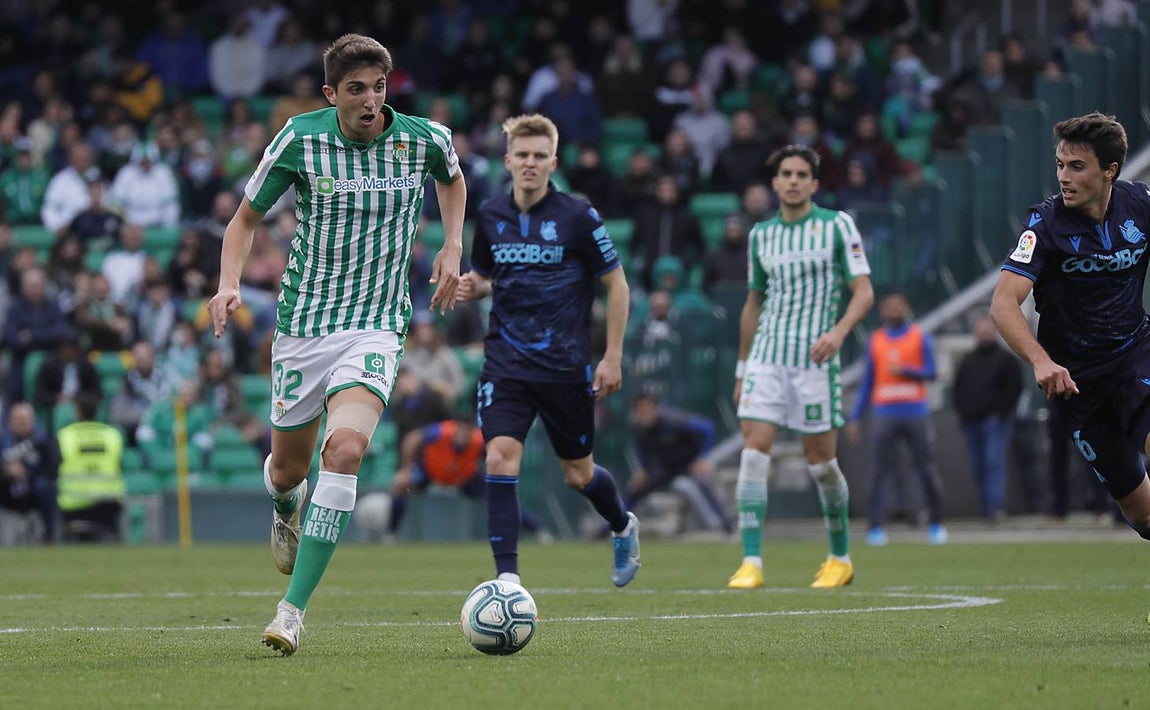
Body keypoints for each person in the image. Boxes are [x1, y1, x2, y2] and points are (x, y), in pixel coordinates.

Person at [208, 33, 466, 657]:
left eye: (379, 87)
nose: (370, 100)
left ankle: (291, 611)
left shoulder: (422, 138)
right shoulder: (300, 138)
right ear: (332, 94)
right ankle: (283, 501)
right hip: (303, 326)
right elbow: (244, 219)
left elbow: (452, 182)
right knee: (288, 468)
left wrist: (454, 244)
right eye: (356, 90)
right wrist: (229, 285)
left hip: (376, 324)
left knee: (345, 451)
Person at [455, 113, 639, 590]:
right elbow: (487, 278)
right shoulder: (491, 216)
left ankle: (621, 524)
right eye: (523, 155)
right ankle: (508, 582)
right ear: (508, 160)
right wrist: (466, 287)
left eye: (540, 156)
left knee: (578, 475)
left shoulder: (579, 217)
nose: (531, 163)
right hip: (506, 364)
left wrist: (612, 355)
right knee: (498, 458)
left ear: (553, 161)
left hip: (564, 366)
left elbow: (616, 285)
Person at [990, 112, 1150, 541]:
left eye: (1076, 166)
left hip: (1136, 357)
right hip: (1077, 386)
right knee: (1144, 516)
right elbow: (1004, 304)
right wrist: (1040, 362)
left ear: (1109, 170)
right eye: (1060, 164)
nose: (1064, 176)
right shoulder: (1044, 226)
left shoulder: (1141, 205)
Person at [727, 144, 874, 590]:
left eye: (800, 174)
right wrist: (741, 366)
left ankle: (840, 557)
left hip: (814, 362)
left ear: (814, 183)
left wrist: (839, 332)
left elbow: (863, 290)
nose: (792, 180)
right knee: (753, 452)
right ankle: (751, 561)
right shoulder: (761, 236)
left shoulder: (836, 226)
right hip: (767, 359)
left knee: (821, 463)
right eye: (785, 174)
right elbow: (753, 304)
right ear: (775, 183)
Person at [845, 291, 946, 545]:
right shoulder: (876, 340)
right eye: (889, 307)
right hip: (884, 413)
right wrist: (855, 416)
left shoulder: (919, 337)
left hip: (915, 410)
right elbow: (868, 381)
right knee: (879, 471)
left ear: (907, 309)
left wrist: (907, 371)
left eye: (898, 306)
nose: (893, 310)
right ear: (882, 312)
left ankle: (936, 524)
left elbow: (932, 372)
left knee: (925, 468)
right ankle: (875, 527)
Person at [386, 415, 544, 539]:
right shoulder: (442, 432)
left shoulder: (477, 441)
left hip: (464, 476)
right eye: (460, 430)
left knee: (500, 495)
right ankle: (391, 534)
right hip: (430, 470)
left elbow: (495, 457)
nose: (462, 435)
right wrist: (405, 467)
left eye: (467, 431)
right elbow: (412, 439)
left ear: (472, 431)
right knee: (401, 483)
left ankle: (537, 530)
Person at [627, 392, 733, 534]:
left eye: (647, 409)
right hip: (665, 469)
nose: (644, 414)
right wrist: (644, 470)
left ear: (655, 408)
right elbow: (643, 450)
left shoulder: (674, 421)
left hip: (689, 464)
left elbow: (707, 428)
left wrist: (702, 458)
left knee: (705, 483)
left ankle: (729, 528)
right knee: (635, 490)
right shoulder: (639, 428)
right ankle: (613, 529)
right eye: (640, 410)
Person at [952, 316, 1024, 522]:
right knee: (978, 466)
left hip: (995, 422)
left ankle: (996, 507)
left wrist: (1000, 413)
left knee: (994, 463)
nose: (983, 334)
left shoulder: (1006, 360)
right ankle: (985, 507)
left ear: (994, 332)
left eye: (986, 330)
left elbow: (1014, 389)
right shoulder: (968, 360)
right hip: (971, 422)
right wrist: (962, 413)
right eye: (980, 330)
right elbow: (958, 389)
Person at [55, 394, 125, 542]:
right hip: (108, 503)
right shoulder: (112, 435)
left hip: (75, 506)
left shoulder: (65, 436)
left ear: (78, 412)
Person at [0, 401, 60, 543]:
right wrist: (6, 471)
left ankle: (49, 536)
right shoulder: (3, 442)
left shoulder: (44, 442)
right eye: (17, 420)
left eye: (24, 420)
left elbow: (52, 470)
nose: (20, 423)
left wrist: (26, 472)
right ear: (9, 421)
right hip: (7, 489)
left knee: (44, 487)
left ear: (33, 420)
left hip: (33, 489)